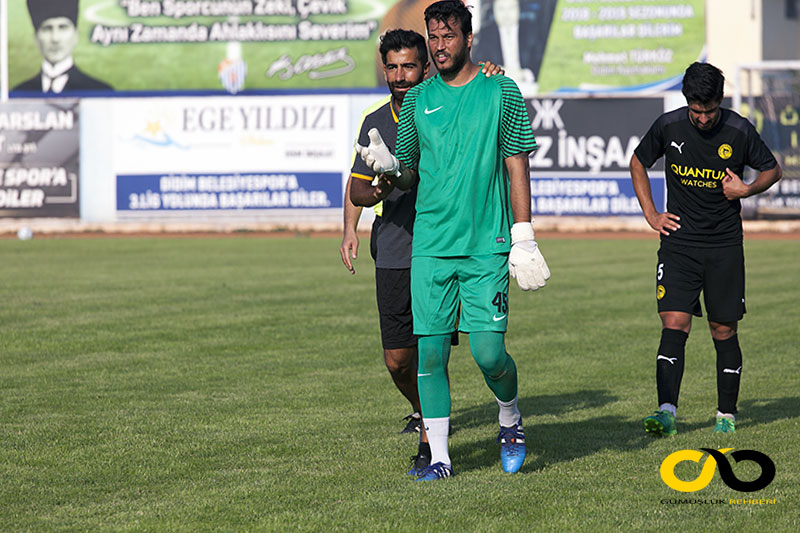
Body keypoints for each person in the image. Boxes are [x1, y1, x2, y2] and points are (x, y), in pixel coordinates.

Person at [356, 0, 549, 481]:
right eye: (434, 37)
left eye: (448, 36)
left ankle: (509, 416)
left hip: (487, 245)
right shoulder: (418, 100)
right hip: (430, 247)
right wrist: (390, 169)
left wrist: (523, 237)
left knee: (487, 353)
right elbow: (409, 174)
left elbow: (517, 164)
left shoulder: (500, 89)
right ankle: (440, 458)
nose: (439, 46)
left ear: (468, 39)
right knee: (432, 353)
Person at [341, 29, 505, 477]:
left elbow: (480, 98)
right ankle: (423, 411)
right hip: (394, 248)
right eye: (392, 67)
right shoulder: (376, 121)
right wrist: (351, 225)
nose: (399, 75)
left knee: (432, 353)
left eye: (409, 65)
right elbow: (356, 186)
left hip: (442, 246)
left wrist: (489, 73)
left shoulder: (446, 103)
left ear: (426, 66)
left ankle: (434, 441)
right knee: (397, 359)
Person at [630, 62, 782, 436]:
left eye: (709, 110)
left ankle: (726, 415)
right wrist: (651, 214)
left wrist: (745, 190)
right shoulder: (670, 125)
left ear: (720, 101)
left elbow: (772, 170)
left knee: (722, 329)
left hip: (724, 245)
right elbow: (638, 161)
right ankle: (666, 412)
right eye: (695, 110)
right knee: (674, 322)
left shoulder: (738, 129)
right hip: (679, 245)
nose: (701, 118)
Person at [14, 0, 113, 94]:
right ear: (36, 38)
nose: (55, 38)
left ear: (76, 35)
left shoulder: (99, 91)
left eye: (63, 27)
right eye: (47, 28)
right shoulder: (18, 93)